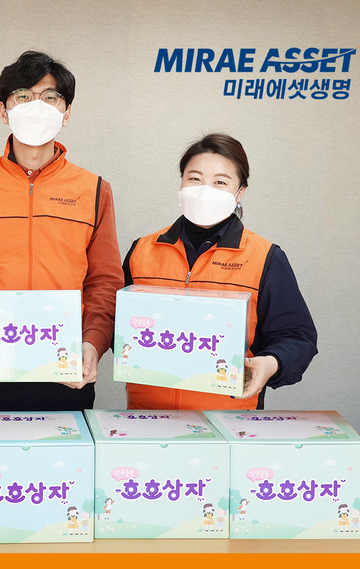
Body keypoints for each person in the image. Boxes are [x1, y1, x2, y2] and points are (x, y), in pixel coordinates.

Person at [0, 51, 123, 411]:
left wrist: (94, 342)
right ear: (3, 110)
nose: (36, 106)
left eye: (50, 97)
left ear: (66, 113)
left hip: (65, 368)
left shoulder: (94, 189)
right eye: (23, 95)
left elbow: (105, 280)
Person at [122, 133, 317, 410]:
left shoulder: (265, 257)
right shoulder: (142, 250)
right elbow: (116, 323)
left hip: (229, 420)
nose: (205, 190)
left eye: (220, 182)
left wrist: (271, 363)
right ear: (181, 183)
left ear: (240, 192)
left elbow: (297, 336)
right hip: (147, 415)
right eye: (194, 178)